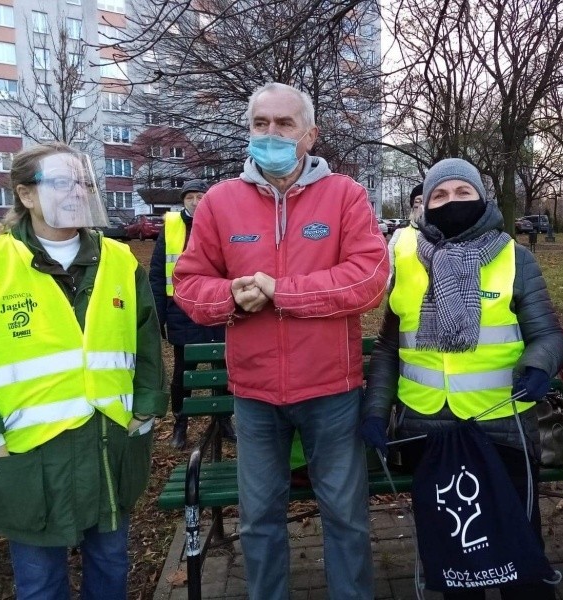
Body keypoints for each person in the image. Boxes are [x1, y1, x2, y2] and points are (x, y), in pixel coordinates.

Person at [172, 82, 388, 599]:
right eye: (260, 123)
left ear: (309, 135)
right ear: (249, 131)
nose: (271, 133)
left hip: (332, 392)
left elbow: (370, 279)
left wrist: (282, 292)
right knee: (259, 521)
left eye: (284, 124)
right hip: (254, 394)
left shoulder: (345, 196)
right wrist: (230, 296)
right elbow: (188, 283)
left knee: (346, 519)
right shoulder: (221, 201)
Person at [362, 158, 563, 600]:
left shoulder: (516, 258)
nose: (450, 202)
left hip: (503, 428)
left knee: (519, 552)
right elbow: (388, 349)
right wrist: (375, 413)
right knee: (457, 560)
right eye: (439, 195)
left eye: (462, 193)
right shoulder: (406, 258)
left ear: (481, 198)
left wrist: (538, 366)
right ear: (426, 204)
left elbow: (549, 335)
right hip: (427, 430)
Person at [0, 142, 166, 598]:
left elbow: (146, 341)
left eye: (84, 181)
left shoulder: (118, 259)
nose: (77, 192)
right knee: (39, 582)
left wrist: (146, 409)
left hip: (109, 443)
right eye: (62, 181)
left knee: (110, 566)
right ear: (26, 195)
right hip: (29, 455)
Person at [149, 179, 229, 449]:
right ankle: (180, 424)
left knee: (224, 368)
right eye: (190, 197)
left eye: (201, 197)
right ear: (183, 200)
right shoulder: (171, 227)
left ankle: (224, 421)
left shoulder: (222, 224)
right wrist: (158, 317)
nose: (196, 202)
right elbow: (158, 275)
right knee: (184, 373)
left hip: (217, 308)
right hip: (182, 311)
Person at [386, 183, 423, 286]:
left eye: (426, 201)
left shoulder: (443, 236)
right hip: (401, 300)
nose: (422, 207)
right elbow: (389, 270)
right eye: (418, 202)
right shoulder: (400, 234)